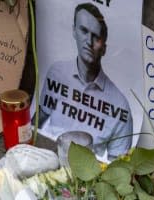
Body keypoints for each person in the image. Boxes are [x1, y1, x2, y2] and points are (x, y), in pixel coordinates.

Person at [38, 3, 132, 159]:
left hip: (85, 177)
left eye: (96, 36)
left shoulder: (121, 106)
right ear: (74, 31)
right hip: (47, 160)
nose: (88, 41)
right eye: (83, 31)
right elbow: (37, 124)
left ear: (104, 48)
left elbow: (118, 167)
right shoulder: (57, 72)